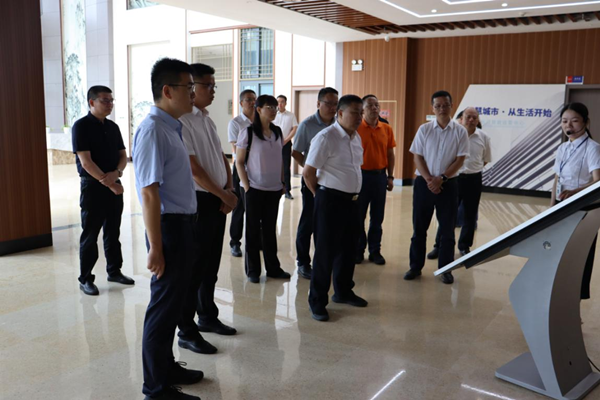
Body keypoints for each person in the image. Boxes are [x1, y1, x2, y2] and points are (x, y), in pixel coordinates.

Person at [133, 58, 203, 400]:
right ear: (167, 90)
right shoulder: (152, 130)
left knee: (174, 304)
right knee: (162, 309)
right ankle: (155, 388)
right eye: (188, 88)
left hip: (182, 225)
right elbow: (149, 192)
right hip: (169, 228)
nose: (193, 94)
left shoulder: (172, 127)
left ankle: (167, 367)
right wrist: (156, 247)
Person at [177, 63, 239, 355]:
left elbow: (221, 156)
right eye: (208, 86)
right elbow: (193, 168)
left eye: (214, 85)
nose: (213, 91)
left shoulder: (206, 119)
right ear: (192, 87)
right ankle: (186, 330)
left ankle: (207, 316)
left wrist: (229, 190)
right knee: (195, 268)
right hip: (199, 202)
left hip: (217, 198)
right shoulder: (183, 121)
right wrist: (221, 194)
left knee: (211, 265)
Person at [303, 94, 368, 322]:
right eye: (355, 112)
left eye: (361, 112)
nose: (359, 117)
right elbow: (308, 173)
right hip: (330, 201)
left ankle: (343, 291)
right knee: (325, 252)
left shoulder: (356, 137)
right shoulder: (325, 137)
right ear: (340, 113)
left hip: (352, 201)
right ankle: (317, 301)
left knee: (349, 248)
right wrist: (320, 195)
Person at [72, 85, 134, 296]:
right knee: (90, 234)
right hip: (93, 187)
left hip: (113, 184)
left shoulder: (113, 127)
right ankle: (85, 279)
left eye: (111, 100)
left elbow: (123, 155)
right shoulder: (81, 126)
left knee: (113, 232)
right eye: (105, 100)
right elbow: (86, 162)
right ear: (92, 102)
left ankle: (114, 271)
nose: (110, 104)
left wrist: (116, 173)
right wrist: (109, 182)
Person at [405, 90, 469, 285]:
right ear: (432, 108)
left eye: (445, 105)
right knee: (419, 229)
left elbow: (460, 159)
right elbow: (417, 156)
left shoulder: (460, 131)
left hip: (449, 185)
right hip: (423, 185)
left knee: (447, 230)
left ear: (452, 106)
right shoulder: (424, 129)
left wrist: (441, 178)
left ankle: (445, 269)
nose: (442, 108)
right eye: (438, 106)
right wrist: (429, 180)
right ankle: (415, 267)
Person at [236, 95, 290, 283]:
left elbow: (280, 159)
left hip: (274, 189)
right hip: (254, 188)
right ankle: (253, 270)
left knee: (269, 230)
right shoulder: (248, 132)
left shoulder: (277, 131)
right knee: (252, 230)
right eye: (270, 107)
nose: (274, 110)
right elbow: (239, 162)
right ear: (258, 109)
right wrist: (247, 186)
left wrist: (282, 182)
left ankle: (273, 268)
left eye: (275, 107)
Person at [427, 107, 491, 259]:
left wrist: (472, 170)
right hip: (453, 179)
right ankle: (439, 246)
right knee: (447, 214)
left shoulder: (484, 137)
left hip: (474, 179)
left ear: (478, 120)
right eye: (468, 117)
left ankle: (464, 246)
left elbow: (485, 159)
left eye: (474, 117)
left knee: (470, 215)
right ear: (461, 119)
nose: (471, 120)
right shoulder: (453, 134)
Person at [551, 102, 600, 300]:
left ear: (586, 122)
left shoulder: (593, 148)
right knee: (561, 253)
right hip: (563, 204)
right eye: (564, 121)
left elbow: (598, 181)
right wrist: (551, 208)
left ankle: (575, 299)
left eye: (574, 121)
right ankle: (561, 294)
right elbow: (556, 179)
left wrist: (576, 192)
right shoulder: (563, 147)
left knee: (580, 256)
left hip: (584, 208)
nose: (568, 125)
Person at [292, 87, 339, 280]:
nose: (332, 107)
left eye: (335, 104)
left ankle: (324, 259)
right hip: (313, 180)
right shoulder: (307, 125)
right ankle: (303, 262)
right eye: (328, 103)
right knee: (309, 221)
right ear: (318, 103)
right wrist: (309, 168)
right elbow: (296, 151)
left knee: (327, 223)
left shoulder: (339, 124)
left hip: (333, 182)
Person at [355, 95, 396, 266]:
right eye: (370, 105)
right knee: (358, 216)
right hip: (360, 177)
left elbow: (390, 154)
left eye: (377, 105)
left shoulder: (386, 128)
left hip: (380, 177)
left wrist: (390, 176)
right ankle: (358, 250)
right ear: (362, 110)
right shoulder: (356, 128)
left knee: (377, 217)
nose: (374, 108)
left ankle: (375, 251)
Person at [228, 89, 256, 257]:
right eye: (249, 100)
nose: (252, 102)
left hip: (258, 169)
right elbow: (235, 148)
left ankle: (256, 241)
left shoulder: (260, 120)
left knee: (256, 207)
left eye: (254, 99)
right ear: (241, 103)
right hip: (241, 168)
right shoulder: (236, 123)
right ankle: (235, 242)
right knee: (239, 207)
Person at [274, 94, 298, 200]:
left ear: (285, 103)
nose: (280, 104)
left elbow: (294, 128)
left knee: (286, 167)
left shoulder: (291, 115)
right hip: (273, 144)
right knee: (273, 166)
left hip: (286, 144)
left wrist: (286, 140)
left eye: (282, 102)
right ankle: (275, 188)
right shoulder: (273, 114)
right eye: (278, 102)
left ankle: (287, 190)